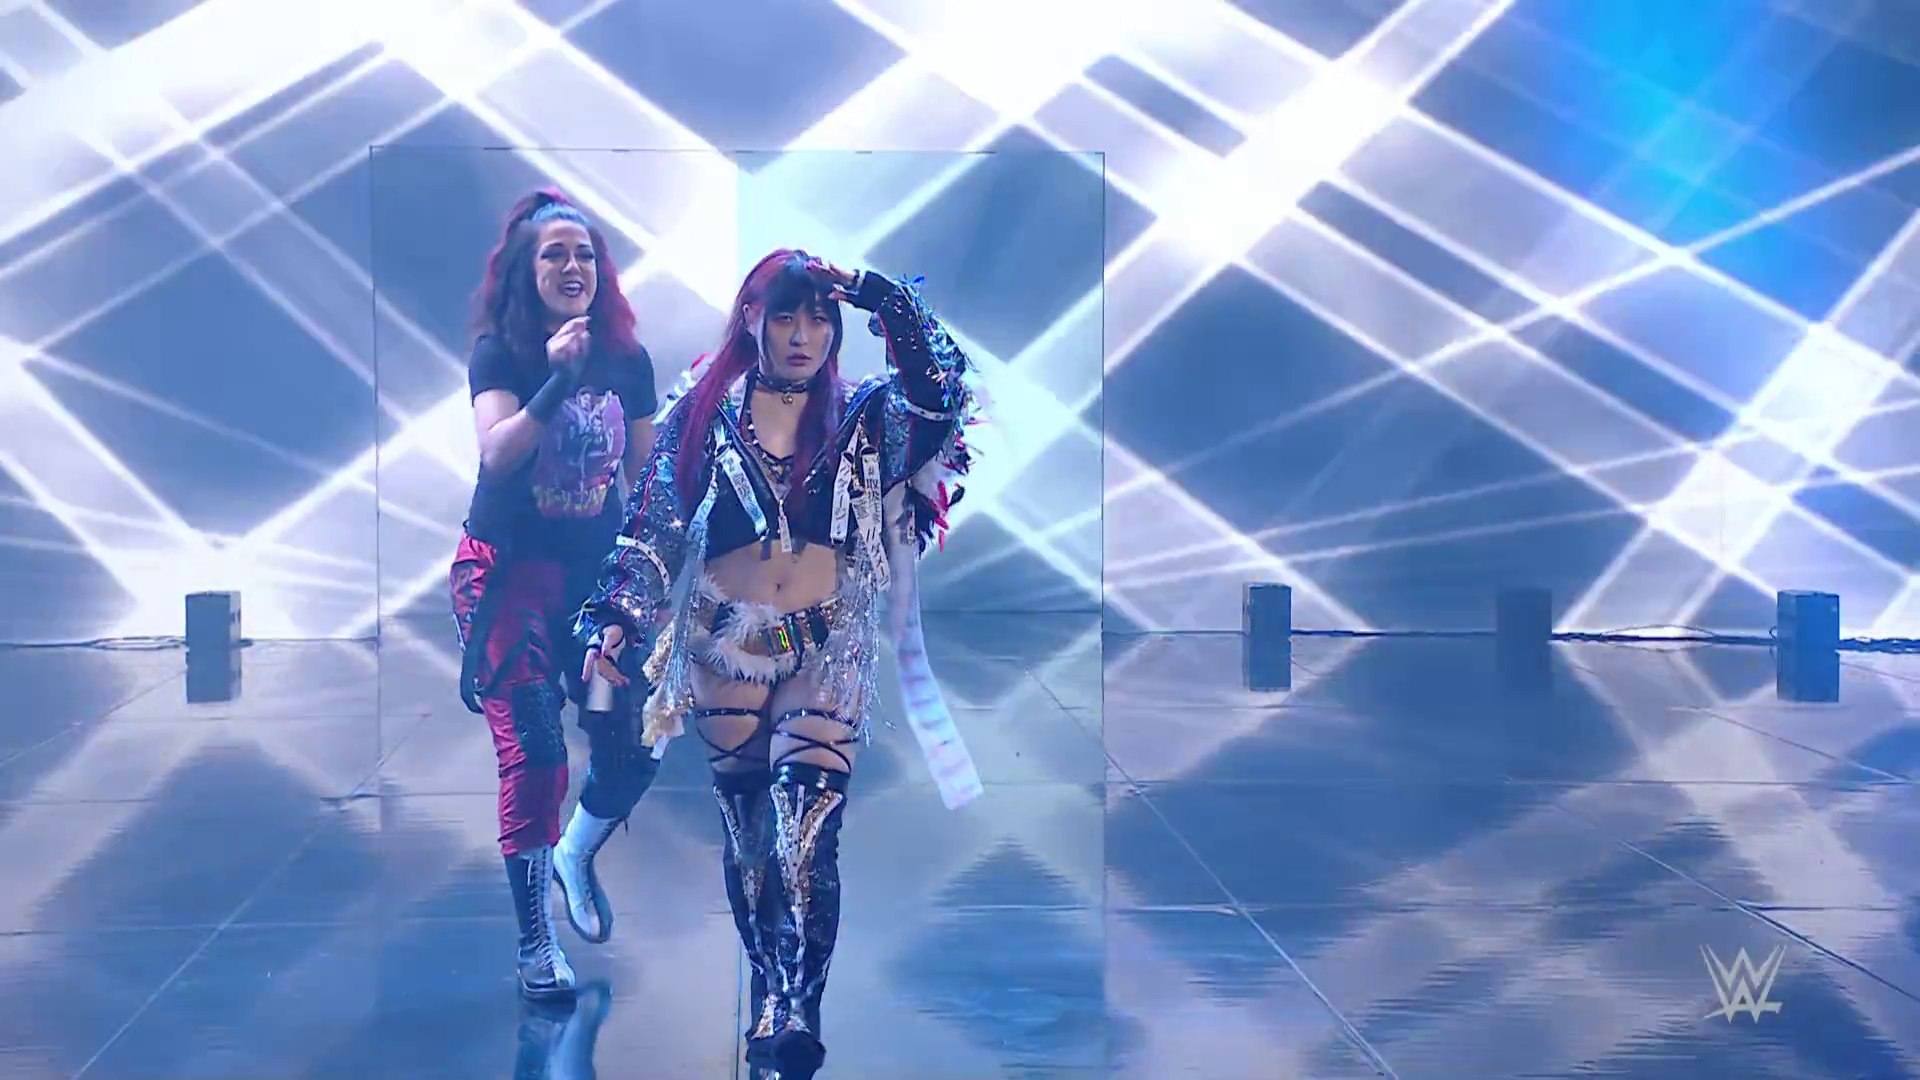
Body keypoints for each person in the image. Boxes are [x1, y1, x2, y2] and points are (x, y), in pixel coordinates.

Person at [572, 250, 978, 1078]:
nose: (802, 336)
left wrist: (880, 296)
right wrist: (615, 619)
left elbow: (943, 392)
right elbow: (652, 529)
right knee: (754, 836)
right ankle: (768, 986)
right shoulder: (703, 415)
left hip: (825, 641)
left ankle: (798, 1006)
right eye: (786, 316)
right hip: (725, 643)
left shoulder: (867, 414)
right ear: (750, 319)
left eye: (819, 319)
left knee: (808, 830)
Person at [447, 189, 662, 1002]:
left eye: (585, 255)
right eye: (554, 254)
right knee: (537, 753)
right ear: (524, 271)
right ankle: (536, 944)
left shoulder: (628, 360)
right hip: (506, 579)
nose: (573, 267)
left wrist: (650, 585)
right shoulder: (499, 353)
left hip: (589, 587)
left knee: (635, 737)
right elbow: (497, 455)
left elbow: (646, 482)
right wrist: (556, 380)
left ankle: (576, 851)